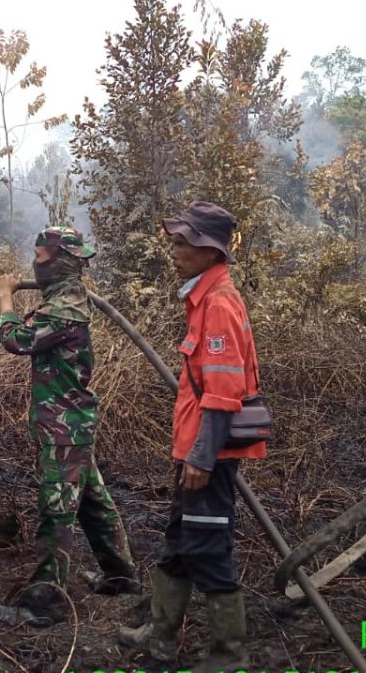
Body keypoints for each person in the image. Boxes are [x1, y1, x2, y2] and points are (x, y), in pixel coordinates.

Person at [120, 201, 264, 672]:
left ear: (209, 250)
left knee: (207, 546)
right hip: (197, 448)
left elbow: (224, 394)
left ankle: (228, 654)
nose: (175, 249)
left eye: (184, 242)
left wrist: (202, 458)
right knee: (180, 539)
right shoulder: (205, 298)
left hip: (211, 453)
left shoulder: (219, 305)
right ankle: (160, 635)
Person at [0, 226, 139, 627]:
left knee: (56, 512)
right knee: (92, 502)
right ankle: (122, 578)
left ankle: (44, 605)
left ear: (57, 263)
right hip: (70, 424)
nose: (33, 265)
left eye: (39, 257)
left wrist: (5, 298)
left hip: (64, 427)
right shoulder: (63, 297)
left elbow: (15, 340)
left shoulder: (64, 307)